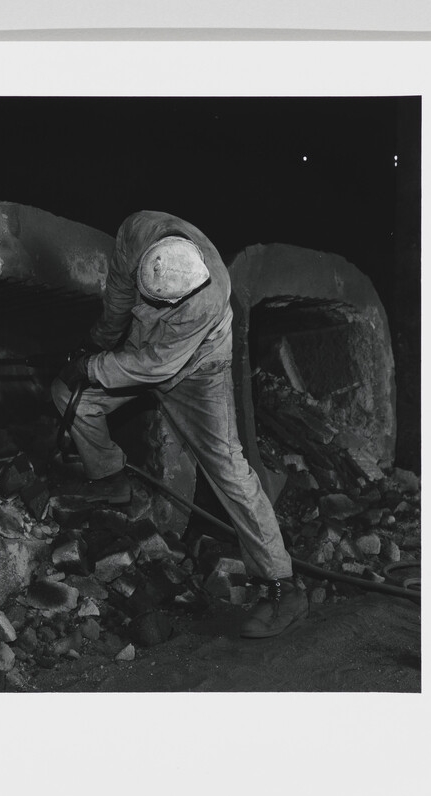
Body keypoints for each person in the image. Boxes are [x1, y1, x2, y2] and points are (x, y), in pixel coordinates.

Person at [52, 210, 307, 638]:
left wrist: (93, 366)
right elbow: (118, 296)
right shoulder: (137, 232)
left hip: (197, 372)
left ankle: (281, 584)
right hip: (140, 347)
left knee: (228, 468)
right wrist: (99, 340)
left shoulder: (208, 294)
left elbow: (155, 366)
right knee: (67, 396)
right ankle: (110, 476)